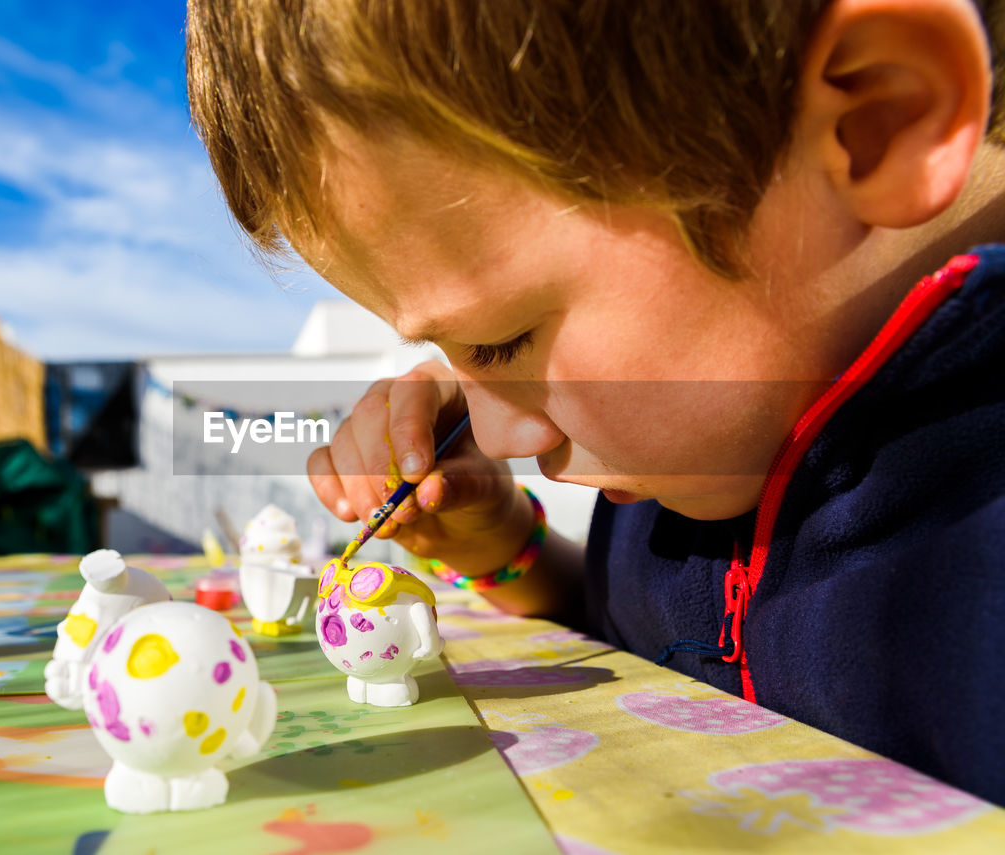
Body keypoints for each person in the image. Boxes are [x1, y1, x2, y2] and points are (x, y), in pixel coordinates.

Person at [185, 0, 1005, 804]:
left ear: (877, 121)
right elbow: (647, 631)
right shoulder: (715, 442)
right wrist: (508, 546)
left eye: (504, 339)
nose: (497, 433)